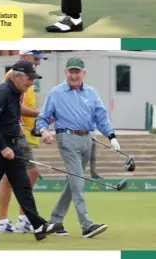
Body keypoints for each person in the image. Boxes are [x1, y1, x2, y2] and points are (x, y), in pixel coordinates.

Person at [0, 61, 61, 242]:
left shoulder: (15, 93)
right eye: (29, 79)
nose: (31, 83)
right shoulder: (3, 92)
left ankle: (37, 225)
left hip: (12, 147)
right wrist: (3, 147)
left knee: (23, 186)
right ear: (18, 77)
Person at [35, 56, 120, 239]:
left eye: (77, 72)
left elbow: (101, 118)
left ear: (84, 73)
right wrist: (44, 131)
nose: (74, 75)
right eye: (70, 72)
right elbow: (42, 118)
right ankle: (86, 225)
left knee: (74, 182)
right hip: (67, 138)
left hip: (87, 139)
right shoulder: (55, 93)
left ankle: (55, 221)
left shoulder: (91, 92)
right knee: (78, 181)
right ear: (65, 72)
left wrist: (111, 136)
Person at [0, 51, 47, 234]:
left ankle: (12, 221)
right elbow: (15, 107)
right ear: (24, 56)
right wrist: (39, 113)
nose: (38, 62)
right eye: (36, 58)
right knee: (26, 173)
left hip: (21, 132)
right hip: (15, 132)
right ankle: (15, 220)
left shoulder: (27, 78)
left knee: (16, 176)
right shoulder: (14, 76)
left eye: (40, 59)